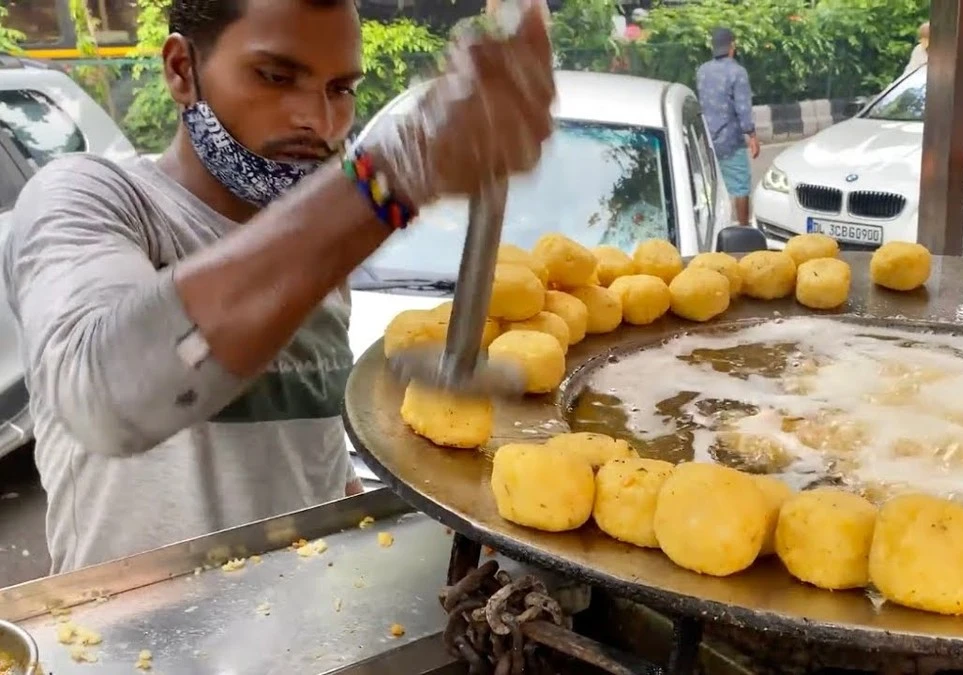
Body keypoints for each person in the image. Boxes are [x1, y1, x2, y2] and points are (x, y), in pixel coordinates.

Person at [1, 0, 555, 573]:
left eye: (339, 88)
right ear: (181, 70)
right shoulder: (91, 198)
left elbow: (303, 460)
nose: (319, 120)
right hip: (125, 646)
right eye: (276, 76)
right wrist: (394, 172)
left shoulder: (316, 252)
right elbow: (104, 396)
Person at [696, 27, 758, 227]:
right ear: (732, 46)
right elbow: (743, 108)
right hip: (730, 140)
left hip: (707, 140)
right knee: (740, 187)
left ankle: (713, 228)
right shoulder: (737, 72)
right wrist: (752, 136)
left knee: (714, 186)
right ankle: (743, 228)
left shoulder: (702, 71)